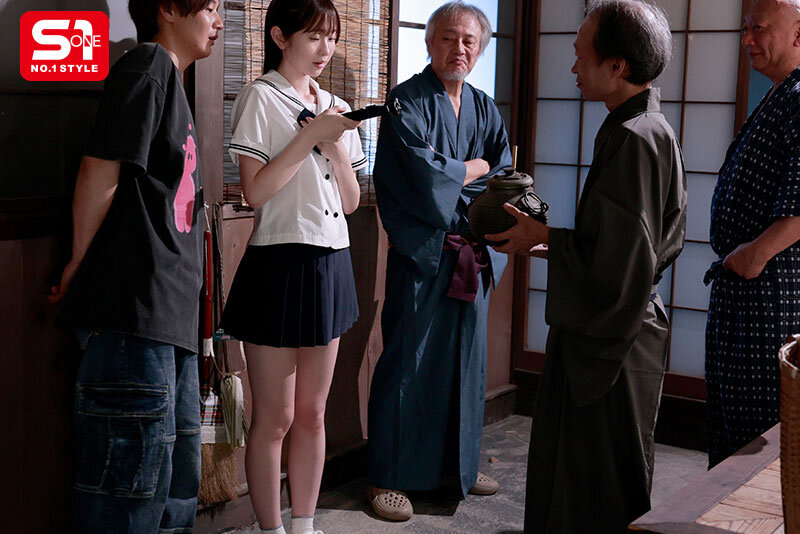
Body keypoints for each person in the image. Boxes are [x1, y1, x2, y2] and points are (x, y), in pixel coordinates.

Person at [486, 1, 687, 531]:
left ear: (617, 66)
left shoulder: (637, 136)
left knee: (596, 482)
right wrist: (550, 245)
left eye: (581, 56)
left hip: (614, 334)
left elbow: (626, 259)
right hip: (610, 319)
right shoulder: (638, 126)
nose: (573, 68)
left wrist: (546, 236)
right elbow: (621, 246)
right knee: (582, 474)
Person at [49, 1, 223, 532]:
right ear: (169, 8)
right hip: (133, 318)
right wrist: (79, 261)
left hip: (170, 323)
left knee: (175, 490)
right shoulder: (147, 64)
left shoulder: (170, 80)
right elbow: (100, 170)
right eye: (210, 7)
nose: (218, 21)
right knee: (129, 495)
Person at [218, 0, 365, 532]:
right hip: (278, 264)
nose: (326, 49)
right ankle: (271, 529)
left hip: (332, 261)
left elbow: (350, 202)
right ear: (280, 37)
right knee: (275, 417)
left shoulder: (337, 105)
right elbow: (255, 192)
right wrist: (309, 136)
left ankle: (303, 525)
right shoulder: (260, 96)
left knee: (313, 414)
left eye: (332, 37)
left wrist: (337, 147)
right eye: (314, 36)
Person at [366, 1, 512, 522]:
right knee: (411, 362)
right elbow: (425, 179)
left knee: (466, 366)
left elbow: (504, 178)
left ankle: (459, 468)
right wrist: (473, 167)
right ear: (430, 43)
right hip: (424, 255)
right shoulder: (405, 102)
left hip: (473, 254)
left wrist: (467, 175)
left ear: (481, 49)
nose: (459, 49)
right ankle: (388, 476)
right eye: (448, 38)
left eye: (469, 40)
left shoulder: (484, 108)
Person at [705, 0, 800, 468]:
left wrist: (755, 255)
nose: (747, 40)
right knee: (732, 426)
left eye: (758, 28)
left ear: (799, 34)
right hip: (746, 289)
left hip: (770, 293)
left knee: (759, 433)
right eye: (745, 29)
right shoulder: (780, 93)